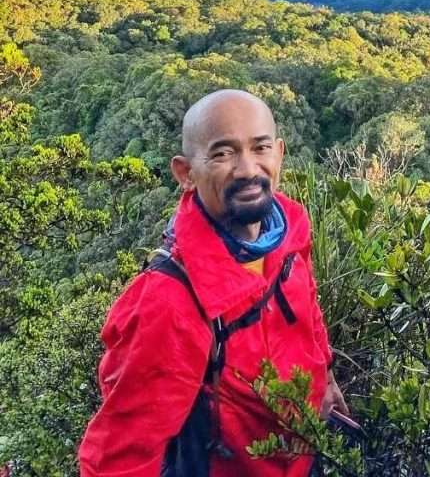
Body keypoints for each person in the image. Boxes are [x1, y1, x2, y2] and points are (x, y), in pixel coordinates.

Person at [79, 89, 350, 476]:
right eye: (223, 153)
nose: (247, 169)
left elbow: (305, 302)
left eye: (260, 148)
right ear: (186, 173)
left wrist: (326, 374)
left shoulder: (291, 224)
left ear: (279, 154)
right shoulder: (171, 301)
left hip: (304, 455)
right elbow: (120, 457)